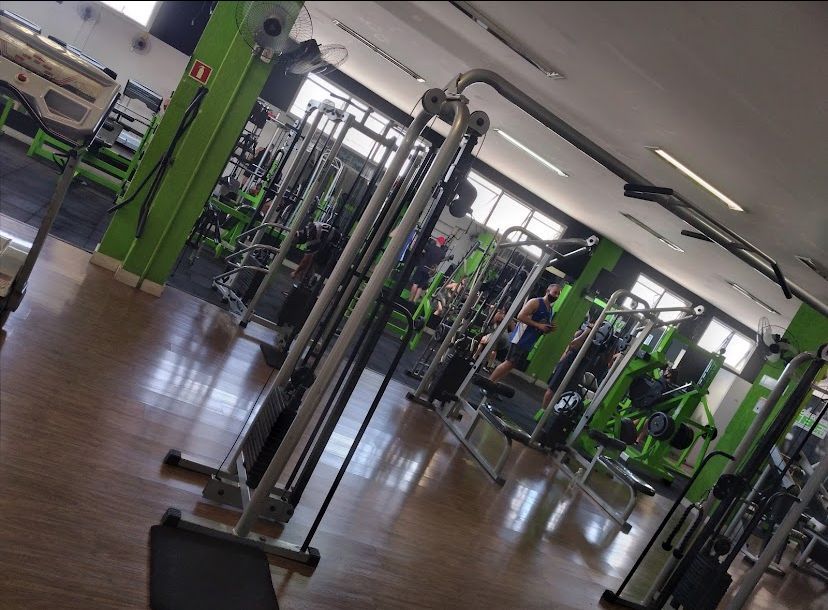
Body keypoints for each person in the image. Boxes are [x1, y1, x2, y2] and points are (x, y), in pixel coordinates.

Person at [488, 283, 561, 383]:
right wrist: (538, 325)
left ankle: (494, 383)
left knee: (512, 365)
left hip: (530, 341)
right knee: (509, 362)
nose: (556, 296)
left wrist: (548, 329)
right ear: (548, 291)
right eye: (555, 292)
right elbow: (520, 316)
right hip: (521, 337)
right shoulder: (535, 302)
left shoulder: (550, 310)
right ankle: (490, 381)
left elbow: (542, 326)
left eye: (558, 294)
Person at [408, 235, 447, 302]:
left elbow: (421, 248)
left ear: (437, 240)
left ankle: (410, 300)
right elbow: (440, 260)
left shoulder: (430, 247)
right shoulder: (443, 253)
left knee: (415, 284)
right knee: (421, 287)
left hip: (422, 267)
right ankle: (414, 301)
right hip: (429, 271)